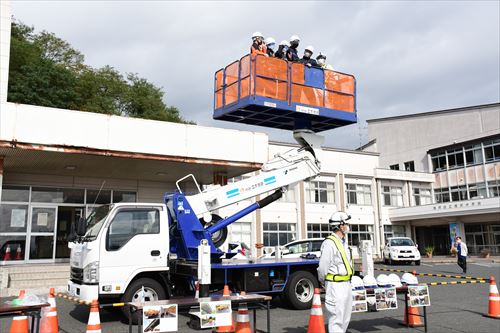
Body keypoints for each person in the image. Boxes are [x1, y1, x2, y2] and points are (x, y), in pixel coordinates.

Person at [318, 211, 354, 333]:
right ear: (340, 225)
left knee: (345, 317)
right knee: (336, 318)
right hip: (335, 286)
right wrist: (323, 281)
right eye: (346, 223)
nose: (348, 226)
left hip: (346, 284)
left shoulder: (343, 241)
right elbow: (323, 266)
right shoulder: (329, 243)